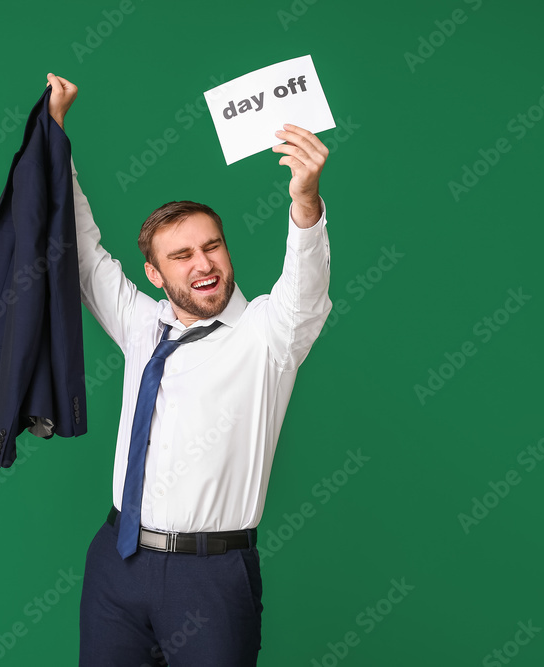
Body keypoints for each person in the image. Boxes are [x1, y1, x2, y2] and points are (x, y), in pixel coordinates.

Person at [44, 72, 333, 666]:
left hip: (210, 577)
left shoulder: (268, 335)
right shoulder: (141, 324)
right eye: (181, 255)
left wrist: (305, 201)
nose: (204, 265)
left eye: (213, 247)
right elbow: (82, 246)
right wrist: (54, 137)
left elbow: (305, 289)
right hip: (116, 561)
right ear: (156, 273)